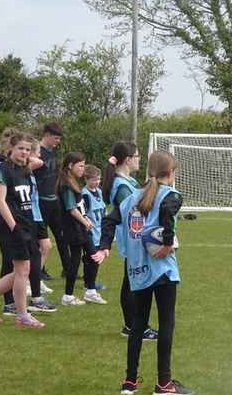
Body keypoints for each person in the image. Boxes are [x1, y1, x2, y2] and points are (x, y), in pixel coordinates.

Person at [94, 150, 193, 395]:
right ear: (171, 173)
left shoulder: (131, 198)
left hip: (137, 269)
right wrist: (168, 242)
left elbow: (108, 221)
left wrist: (104, 246)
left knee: (137, 326)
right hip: (162, 270)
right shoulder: (170, 194)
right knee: (166, 324)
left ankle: (130, 382)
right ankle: (164, 384)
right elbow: (168, 214)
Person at [0, 131, 47, 328]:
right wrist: (14, 227)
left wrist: (28, 226)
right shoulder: (2, 170)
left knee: (22, 270)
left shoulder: (25, 170)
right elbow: (1, 201)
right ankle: (22, 314)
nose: (25, 152)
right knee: (22, 270)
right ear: (10, 149)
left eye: (28, 149)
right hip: (12, 227)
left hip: (27, 224)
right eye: (20, 148)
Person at [102, 142, 159, 341]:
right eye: (137, 156)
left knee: (131, 282)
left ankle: (132, 326)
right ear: (127, 159)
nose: (139, 159)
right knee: (134, 284)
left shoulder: (128, 181)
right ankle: (136, 327)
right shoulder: (122, 186)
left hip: (132, 239)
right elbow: (135, 210)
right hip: (132, 240)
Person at [57, 152, 103, 305]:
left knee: (92, 256)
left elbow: (78, 207)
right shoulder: (66, 185)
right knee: (79, 260)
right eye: (81, 165)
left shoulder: (72, 182)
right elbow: (71, 208)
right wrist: (84, 221)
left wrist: (85, 217)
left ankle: (90, 290)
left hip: (80, 227)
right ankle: (69, 296)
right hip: (74, 228)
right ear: (70, 166)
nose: (83, 169)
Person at [32, 122, 69, 281]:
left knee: (62, 236)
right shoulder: (36, 153)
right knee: (40, 238)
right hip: (40, 201)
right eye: (55, 138)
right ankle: (39, 270)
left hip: (54, 200)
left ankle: (68, 269)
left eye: (59, 138)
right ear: (46, 134)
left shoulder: (52, 152)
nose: (57, 141)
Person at [82, 164, 107, 297]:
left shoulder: (99, 191)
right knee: (93, 257)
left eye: (98, 179)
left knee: (96, 256)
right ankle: (89, 283)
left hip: (100, 229)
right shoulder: (84, 194)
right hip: (91, 230)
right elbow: (83, 213)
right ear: (86, 179)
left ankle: (91, 280)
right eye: (93, 179)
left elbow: (102, 208)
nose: (96, 182)